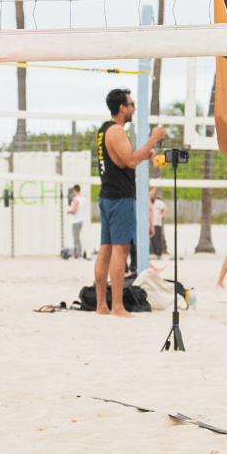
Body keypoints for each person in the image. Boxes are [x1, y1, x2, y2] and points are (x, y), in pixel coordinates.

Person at [95, 89, 165, 317]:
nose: (134, 108)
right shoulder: (116, 130)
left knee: (105, 250)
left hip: (107, 195)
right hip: (119, 198)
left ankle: (101, 305)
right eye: (131, 104)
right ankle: (116, 306)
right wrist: (153, 139)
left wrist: (144, 153)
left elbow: (122, 160)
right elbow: (130, 161)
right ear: (122, 107)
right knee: (120, 250)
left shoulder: (104, 130)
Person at [149, 186, 167, 258]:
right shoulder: (148, 203)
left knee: (156, 239)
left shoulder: (158, 203)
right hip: (149, 223)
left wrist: (161, 216)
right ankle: (156, 254)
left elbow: (166, 209)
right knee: (153, 240)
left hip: (156, 223)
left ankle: (158, 254)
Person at [67, 184, 84, 258]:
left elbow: (74, 210)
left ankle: (78, 254)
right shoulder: (83, 198)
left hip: (76, 221)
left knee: (76, 239)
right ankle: (77, 253)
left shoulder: (76, 199)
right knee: (77, 238)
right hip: (80, 219)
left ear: (74, 190)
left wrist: (69, 212)